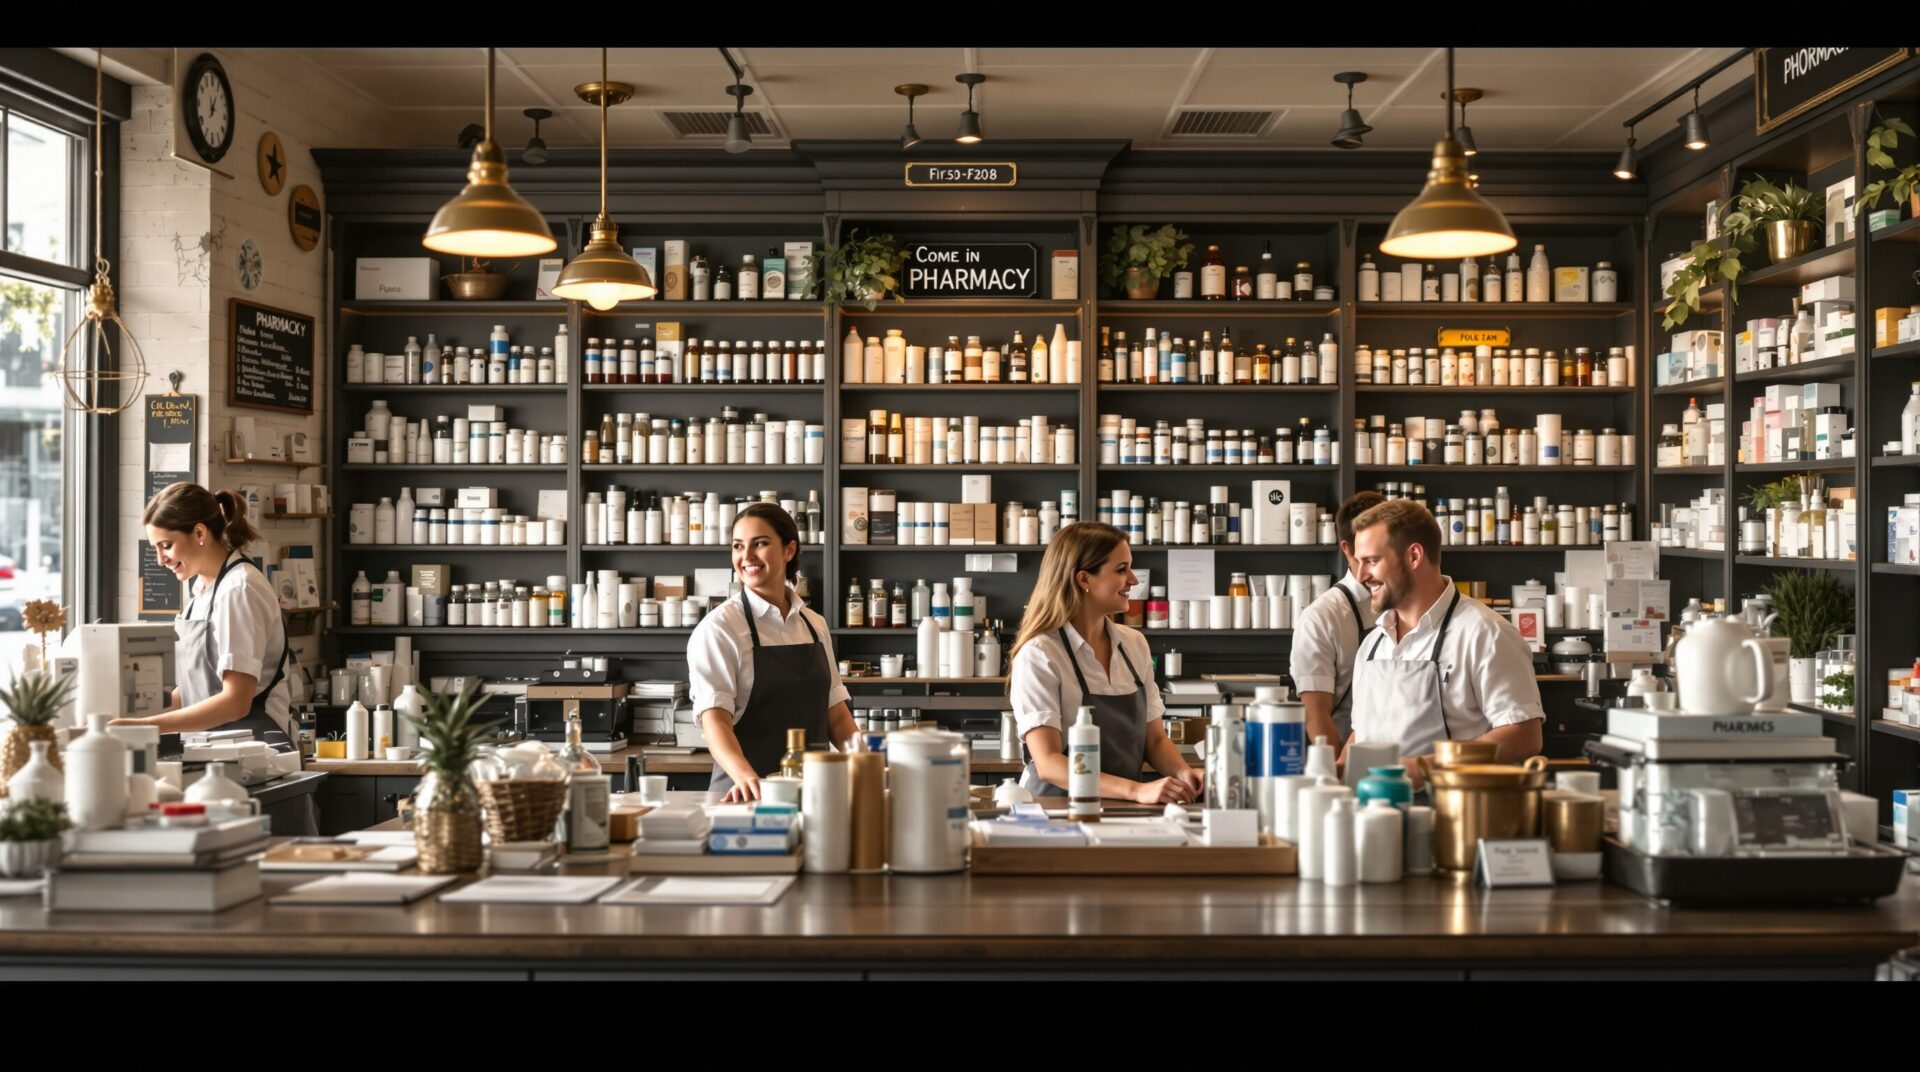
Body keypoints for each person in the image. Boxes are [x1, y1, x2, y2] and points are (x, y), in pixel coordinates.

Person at [120, 482, 314, 834]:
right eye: (156, 548)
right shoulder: (201, 591)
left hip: (256, 755)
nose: (160, 559)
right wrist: (131, 716)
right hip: (215, 754)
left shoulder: (239, 590)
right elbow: (195, 687)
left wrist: (146, 727)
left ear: (199, 533)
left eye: (166, 545)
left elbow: (235, 701)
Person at [1345, 498, 1543, 783]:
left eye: (1372, 561)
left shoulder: (1485, 633)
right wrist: (1338, 770)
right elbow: (1362, 732)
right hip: (1377, 813)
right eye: (1359, 562)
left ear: (1414, 556)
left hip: (1455, 811)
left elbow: (1524, 734)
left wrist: (1430, 767)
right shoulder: (1373, 645)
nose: (1361, 575)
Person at [1009, 521, 1200, 804]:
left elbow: (1155, 740)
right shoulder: (1041, 653)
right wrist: (1137, 790)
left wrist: (1185, 775)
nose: (1134, 580)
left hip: (1122, 808)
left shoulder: (1134, 645)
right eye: (1121, 569)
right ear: (1084, 579)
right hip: (1057, 811)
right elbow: (1048, 763)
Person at [688, 502, 858, 802]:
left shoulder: (813, 624)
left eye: (761, 543)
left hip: (813, 794)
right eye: (738, 546)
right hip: (745, 795)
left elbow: (837, 715)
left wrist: (871, 764)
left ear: (789, 550)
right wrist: (745, 777)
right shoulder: (719, 628)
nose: (746, 556)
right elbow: (714, 720)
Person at [1288, 491, 1386, 747]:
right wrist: (1337, 775)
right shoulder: (1321, 617)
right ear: (1347, 548)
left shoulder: (1404, 606)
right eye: (1368, 555)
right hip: (1346, 760)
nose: (1376, 565)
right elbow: (1315, 714)